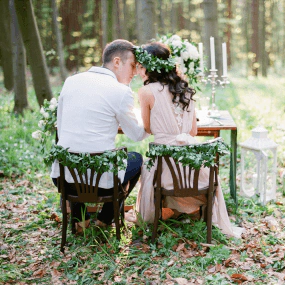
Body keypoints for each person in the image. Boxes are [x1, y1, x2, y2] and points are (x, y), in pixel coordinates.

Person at [134, 42, 243, 238]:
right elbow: (192, 130)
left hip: (166, 171)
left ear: (152, 67)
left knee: (147, 166)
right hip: (193, 171)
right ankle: (185, 212)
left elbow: (148, 128)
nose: (139, 71)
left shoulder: (146, 92)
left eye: (141, 66)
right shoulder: (185, 88)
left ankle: (166, 213)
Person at [50, 39, 148, 232]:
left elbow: (60, 129)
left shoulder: (71, 81)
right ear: (117, 62)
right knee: (136, 159)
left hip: (63, 179)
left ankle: (80, 219)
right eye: (132, 66)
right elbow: (137, 134)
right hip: (100, 184)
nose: (135, 72)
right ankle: (104, 219)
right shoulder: (121, 91)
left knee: (76, 158)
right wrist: (150, 118)